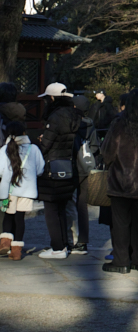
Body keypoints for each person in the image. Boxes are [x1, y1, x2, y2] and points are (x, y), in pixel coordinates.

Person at [100, 88, 138, 273]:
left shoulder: (120, 123)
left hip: (122, 180)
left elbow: (108, 152)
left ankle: (121, 261)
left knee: (121, 223)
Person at [36, 83, 82, 259]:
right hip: (69, 167)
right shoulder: (74, 115)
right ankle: (64, 245)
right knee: (62, 208)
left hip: (52, 168)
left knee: (51, 209)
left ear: (52, 98)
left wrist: (41, 140)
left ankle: (57, 247)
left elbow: (46, 145)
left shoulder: (55, 117)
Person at [0, 122, 45, 261]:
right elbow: (40, 170)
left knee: (8, 216)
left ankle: (4, 243)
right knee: (20, 219)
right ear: (24, 133)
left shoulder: (4, 149)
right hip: (27, 190)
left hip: (8, 190)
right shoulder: (34, 149)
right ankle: (16, 252)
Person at [68, 94, 97, 255]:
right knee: (82, 205)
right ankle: (83, 240)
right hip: (85, 168)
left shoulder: (70, 123)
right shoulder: (90, 124)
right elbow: (94, 147)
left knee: (67, 204)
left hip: (71, 166)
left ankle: (69, 238)